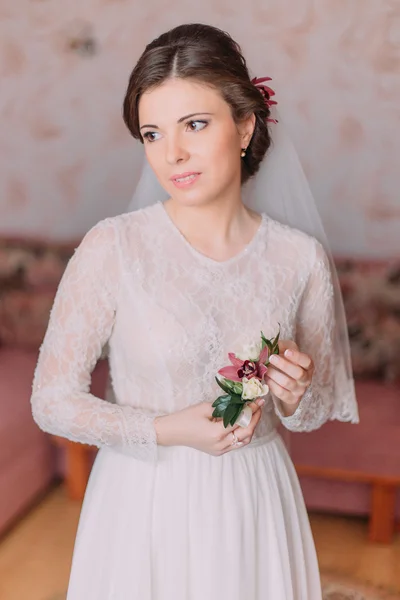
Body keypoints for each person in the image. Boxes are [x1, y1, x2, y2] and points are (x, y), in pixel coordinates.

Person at [30, 23, 359, 600]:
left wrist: (294, 393)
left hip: (255, 496)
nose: (172, 152)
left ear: (245, 126)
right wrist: (165, 429)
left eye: (195, 124)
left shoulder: (298, 258)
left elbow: (314, 409)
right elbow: (51, 401)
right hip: (140, 500)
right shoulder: (114, 247)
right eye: (153, 133)